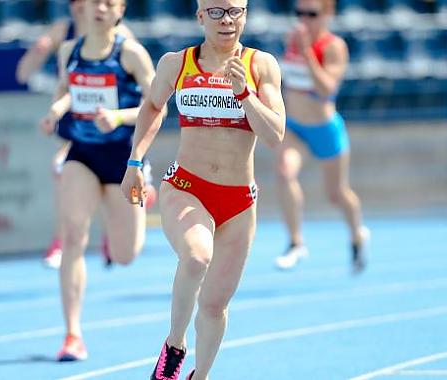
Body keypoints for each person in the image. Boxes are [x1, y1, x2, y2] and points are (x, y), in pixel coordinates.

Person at [121, 0, 285, 378]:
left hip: (239, 202)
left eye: (235, 12)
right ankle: (175, 345)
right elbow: (152, 108)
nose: (226, 20)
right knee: (196, 256)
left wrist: (245, 95)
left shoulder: (261, 65)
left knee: (214, 306)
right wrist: (134, 162)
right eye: (216, 12)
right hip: (186, 186)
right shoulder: (176, 63)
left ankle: (201, 375)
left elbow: (275, 134)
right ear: (200, 16)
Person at [37, 0, 156, 361]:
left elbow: (158, 107)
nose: (101, 8)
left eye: (110, 3)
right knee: (73, 234)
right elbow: (66, 90)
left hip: (123, 159)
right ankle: (72, 334)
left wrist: (119, 117)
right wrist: (54, 112)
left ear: (120, 11)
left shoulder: (131, 54)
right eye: (96, 2)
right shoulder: (69, 51)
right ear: (84, 9)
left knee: (125, 255)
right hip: (83, 156)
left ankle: (141, 194)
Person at [15, 0, 137, 269]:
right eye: (76, 3)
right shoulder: (65, 32)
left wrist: (121, 117)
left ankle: (121, 217)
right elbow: (26, 71)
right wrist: (38, 55)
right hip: (79, 127)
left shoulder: (122, 38)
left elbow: (144, 93)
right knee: (62, 167)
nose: (82, 8)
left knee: (108, 190)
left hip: (113, 132)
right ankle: (62, 240)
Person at [274, 0, 369, 273]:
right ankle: (295, 242)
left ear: (328, 14)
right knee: (284, 172)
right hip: (294, 126)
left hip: (324, 128)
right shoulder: (291, 39)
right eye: (299, 13)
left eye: (311, 14)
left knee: (337, 193)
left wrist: (307, 54)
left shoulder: (333, 47)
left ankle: (357, 235)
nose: (304, 20)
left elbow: (327, 89)